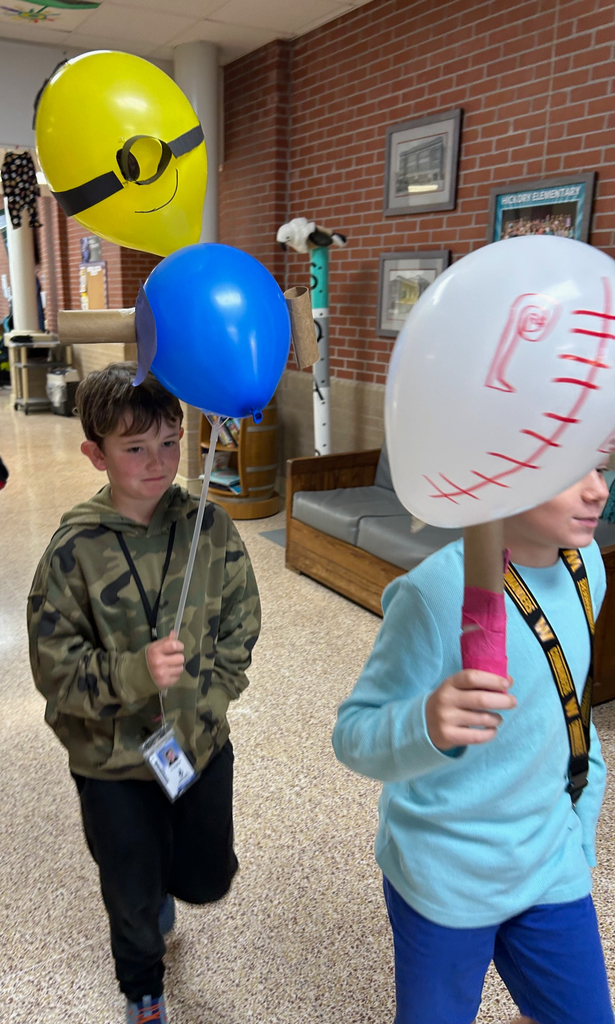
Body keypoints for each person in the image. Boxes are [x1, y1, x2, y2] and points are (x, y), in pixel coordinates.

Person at [332, 466, 613, 1024]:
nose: (598, 489)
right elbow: (353, 734)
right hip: (446, 876)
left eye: (600, 463)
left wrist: (579, 840)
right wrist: (425, 724)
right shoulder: (433, 593)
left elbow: (568, 713)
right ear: (499, 470)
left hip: (548, 860)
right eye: (567, 469)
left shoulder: (587, 568)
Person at [28, 363, 261, 1024]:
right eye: (134, 448)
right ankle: (143, 991)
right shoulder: (75, 550)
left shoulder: (208, 529)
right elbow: (54, 670)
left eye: (168, 441)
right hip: (112, 763)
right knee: (130, 892)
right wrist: (134, 673)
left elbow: (243, 617)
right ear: (95, 455)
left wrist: (211, 697)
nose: (157, 462)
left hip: (198, 743)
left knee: (208, 878)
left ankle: (169, 885)